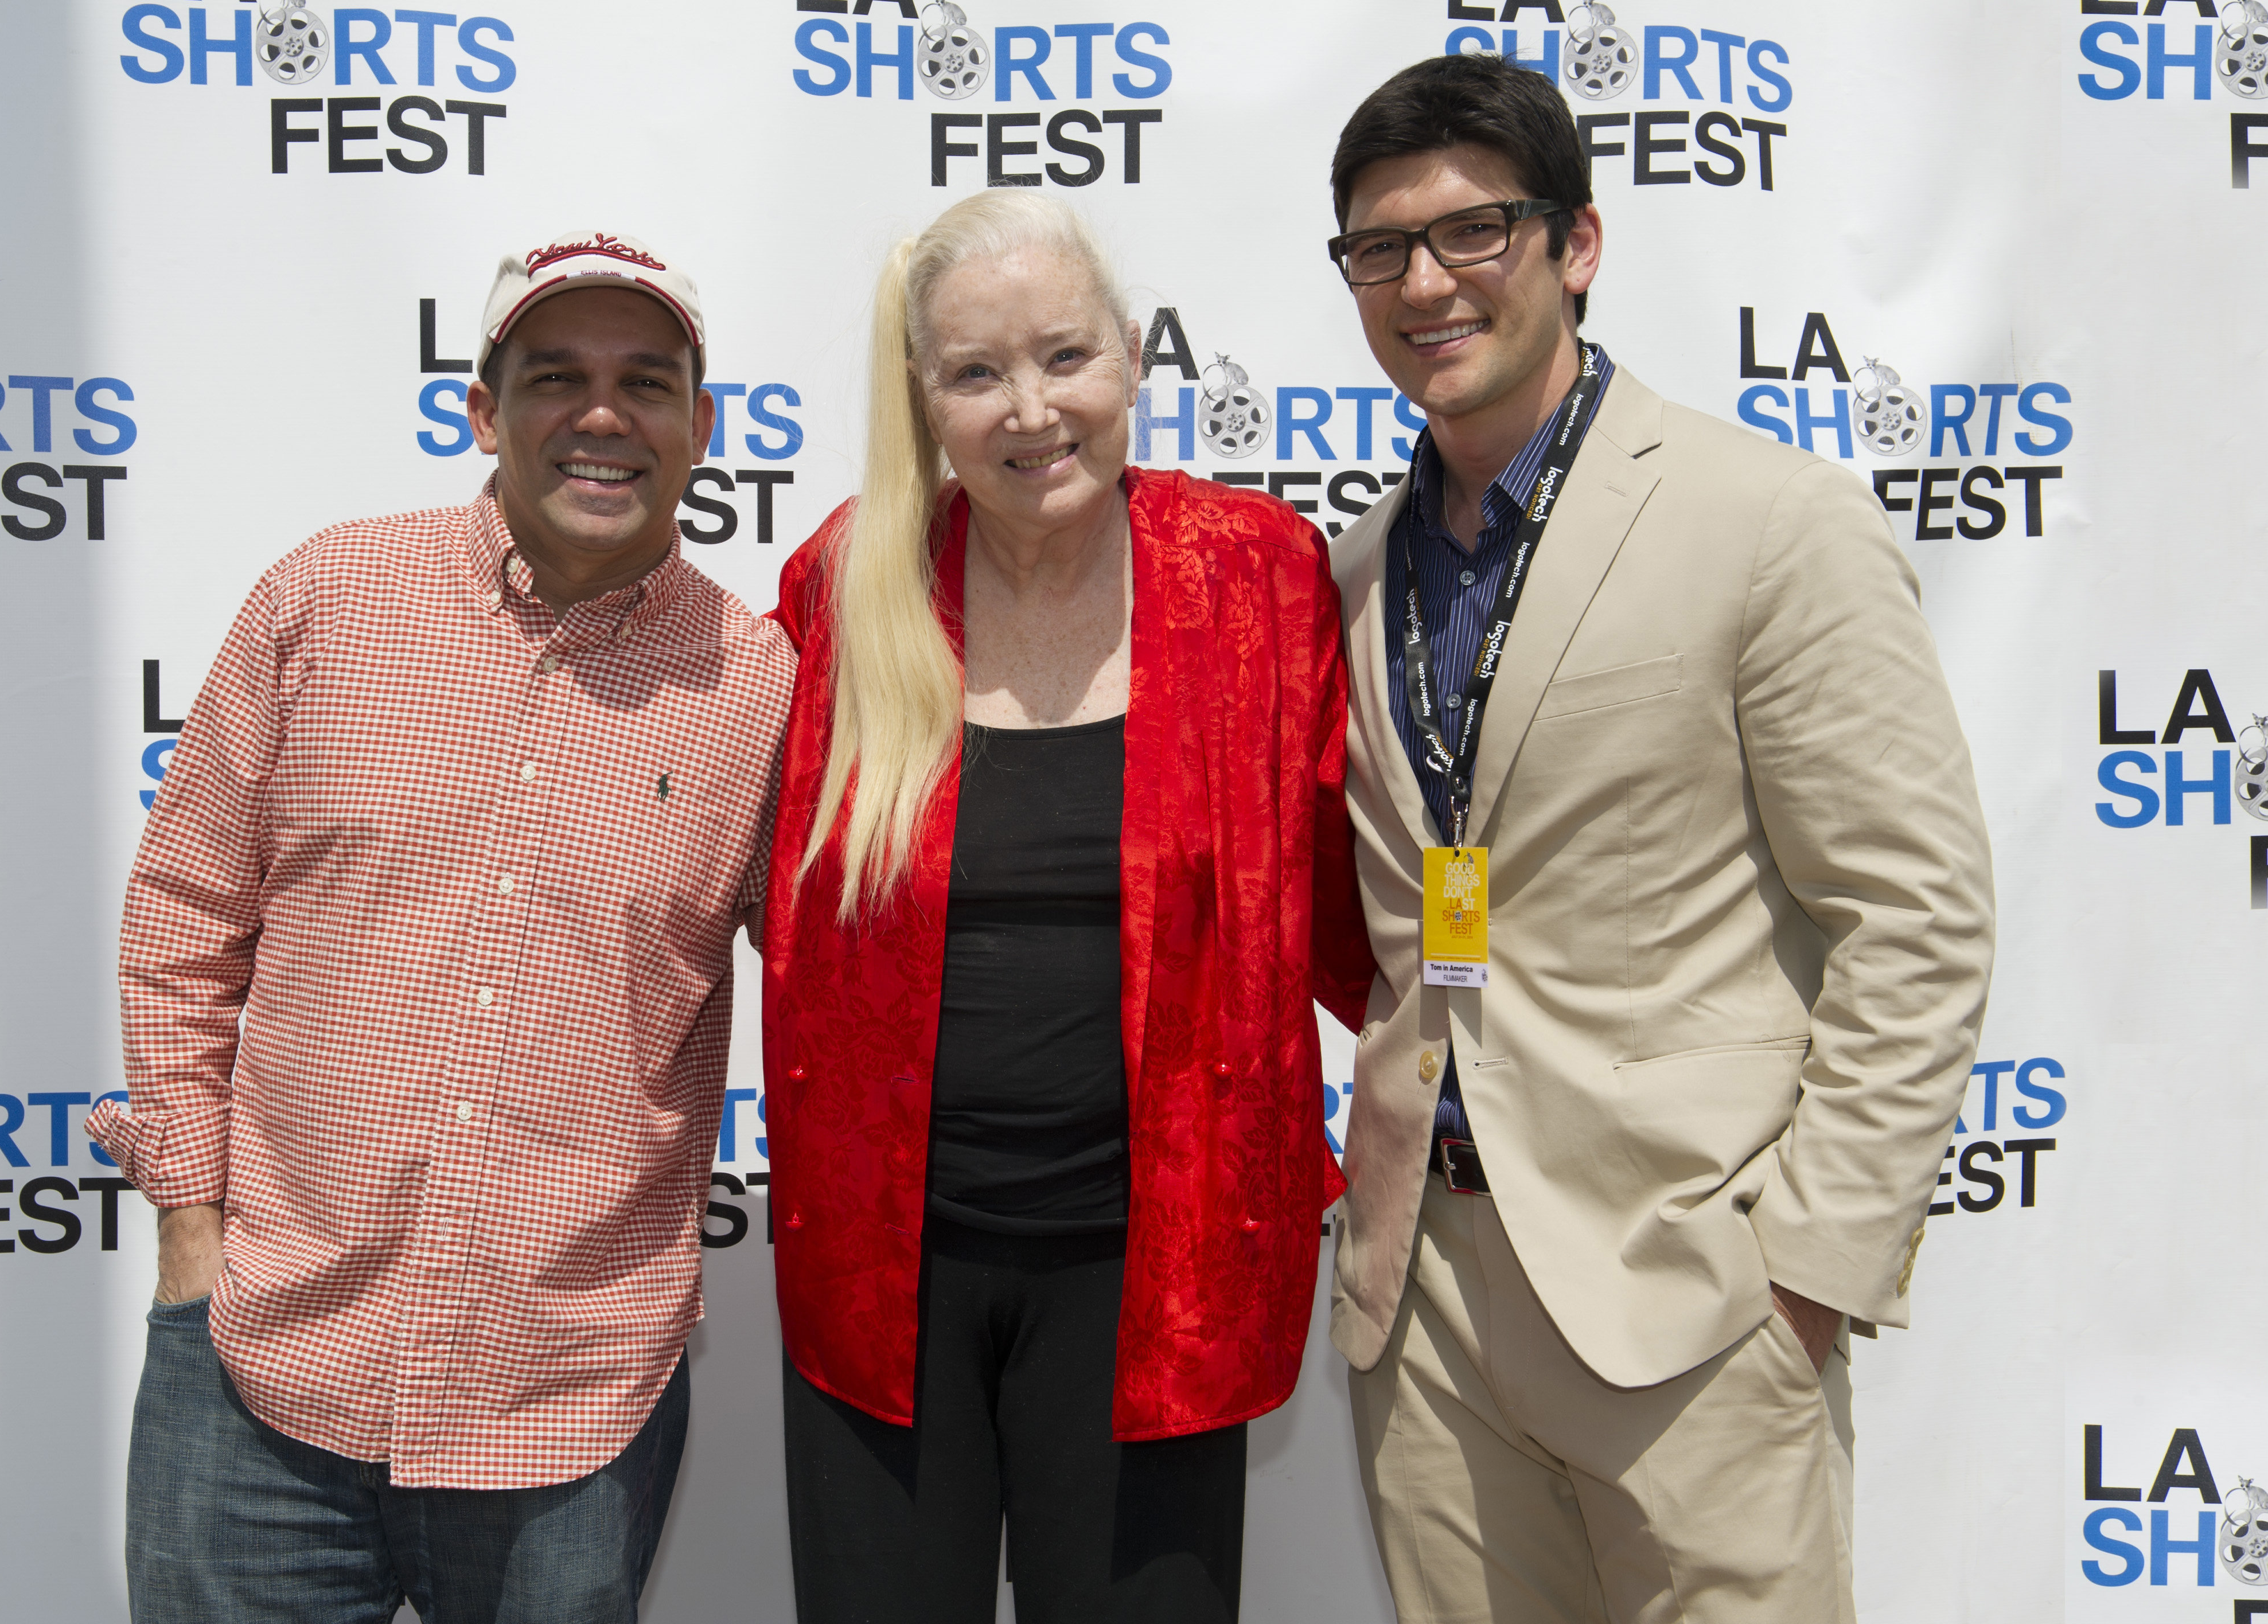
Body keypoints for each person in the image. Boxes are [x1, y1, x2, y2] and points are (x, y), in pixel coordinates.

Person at [1320, 54, 1995, 1623]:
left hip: (1690, 1306)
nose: (1422, 283)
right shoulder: (1351, 574)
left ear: (1575, 245)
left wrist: (1805, 1278)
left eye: (1471, 232)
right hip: (1422, 1309)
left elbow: (1915, 915)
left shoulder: (1765, 520)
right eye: (1377, 250)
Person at [85, 231, 794, 1624]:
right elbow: (183, 916)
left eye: (648, 382)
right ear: (481, 409)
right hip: (261, 1365)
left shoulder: (759, 686)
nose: (603, 416)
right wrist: (191, 1232)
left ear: (705, 428)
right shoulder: (326, 599)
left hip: (571, 1403)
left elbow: (854, 994)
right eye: (555, 377)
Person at [758, 190, 1374, 1623]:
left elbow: (1355, 894)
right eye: (976, 373)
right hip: (883, 1276)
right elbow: (758, 891)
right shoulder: (850, 585)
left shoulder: (1256, 578)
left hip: (1154, 1269)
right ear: (923, 400)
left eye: (1066, 356)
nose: (1032, 410)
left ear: (1134, 359)